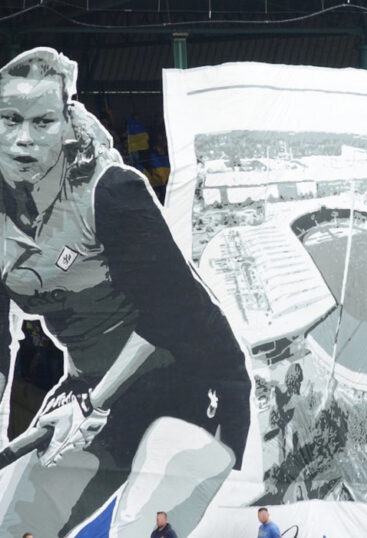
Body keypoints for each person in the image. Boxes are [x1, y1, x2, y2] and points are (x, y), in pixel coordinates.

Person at [0, 48, 253, 537]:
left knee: (142, 527)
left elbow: (168, 317)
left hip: (192, 381)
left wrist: (91, 405)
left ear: (66, 124)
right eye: (10, 119)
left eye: (42, 121)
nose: (23, 138)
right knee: (17, 526)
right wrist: (85, 400)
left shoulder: (112, 192)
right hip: (93, 388)